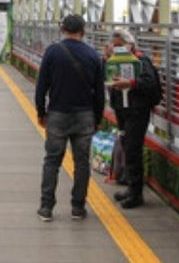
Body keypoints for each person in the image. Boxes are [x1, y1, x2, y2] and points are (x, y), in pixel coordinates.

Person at [34, 14, 104, 222]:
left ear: (63, 29)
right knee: (82, 162)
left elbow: (41, 86)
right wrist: (97, 118)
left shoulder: (53, 52)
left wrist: (41, 111)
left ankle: (46, 208)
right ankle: (78, 207)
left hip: (57, 114)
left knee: (52, 161)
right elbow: (99, 93)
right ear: (83, 31)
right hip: (84, 116)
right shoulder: (93, 55)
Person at [108, 29, 160, 209]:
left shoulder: (141, 60)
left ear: (129, 45)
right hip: (122, 109)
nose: (116, 49)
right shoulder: (113, 61)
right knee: (126, 145)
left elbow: (150, 83)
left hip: (137, 110)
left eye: (119, 46)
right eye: (114, 46)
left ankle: (136, 193)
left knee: (132, 149)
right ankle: (131, 187)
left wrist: (130, 83)